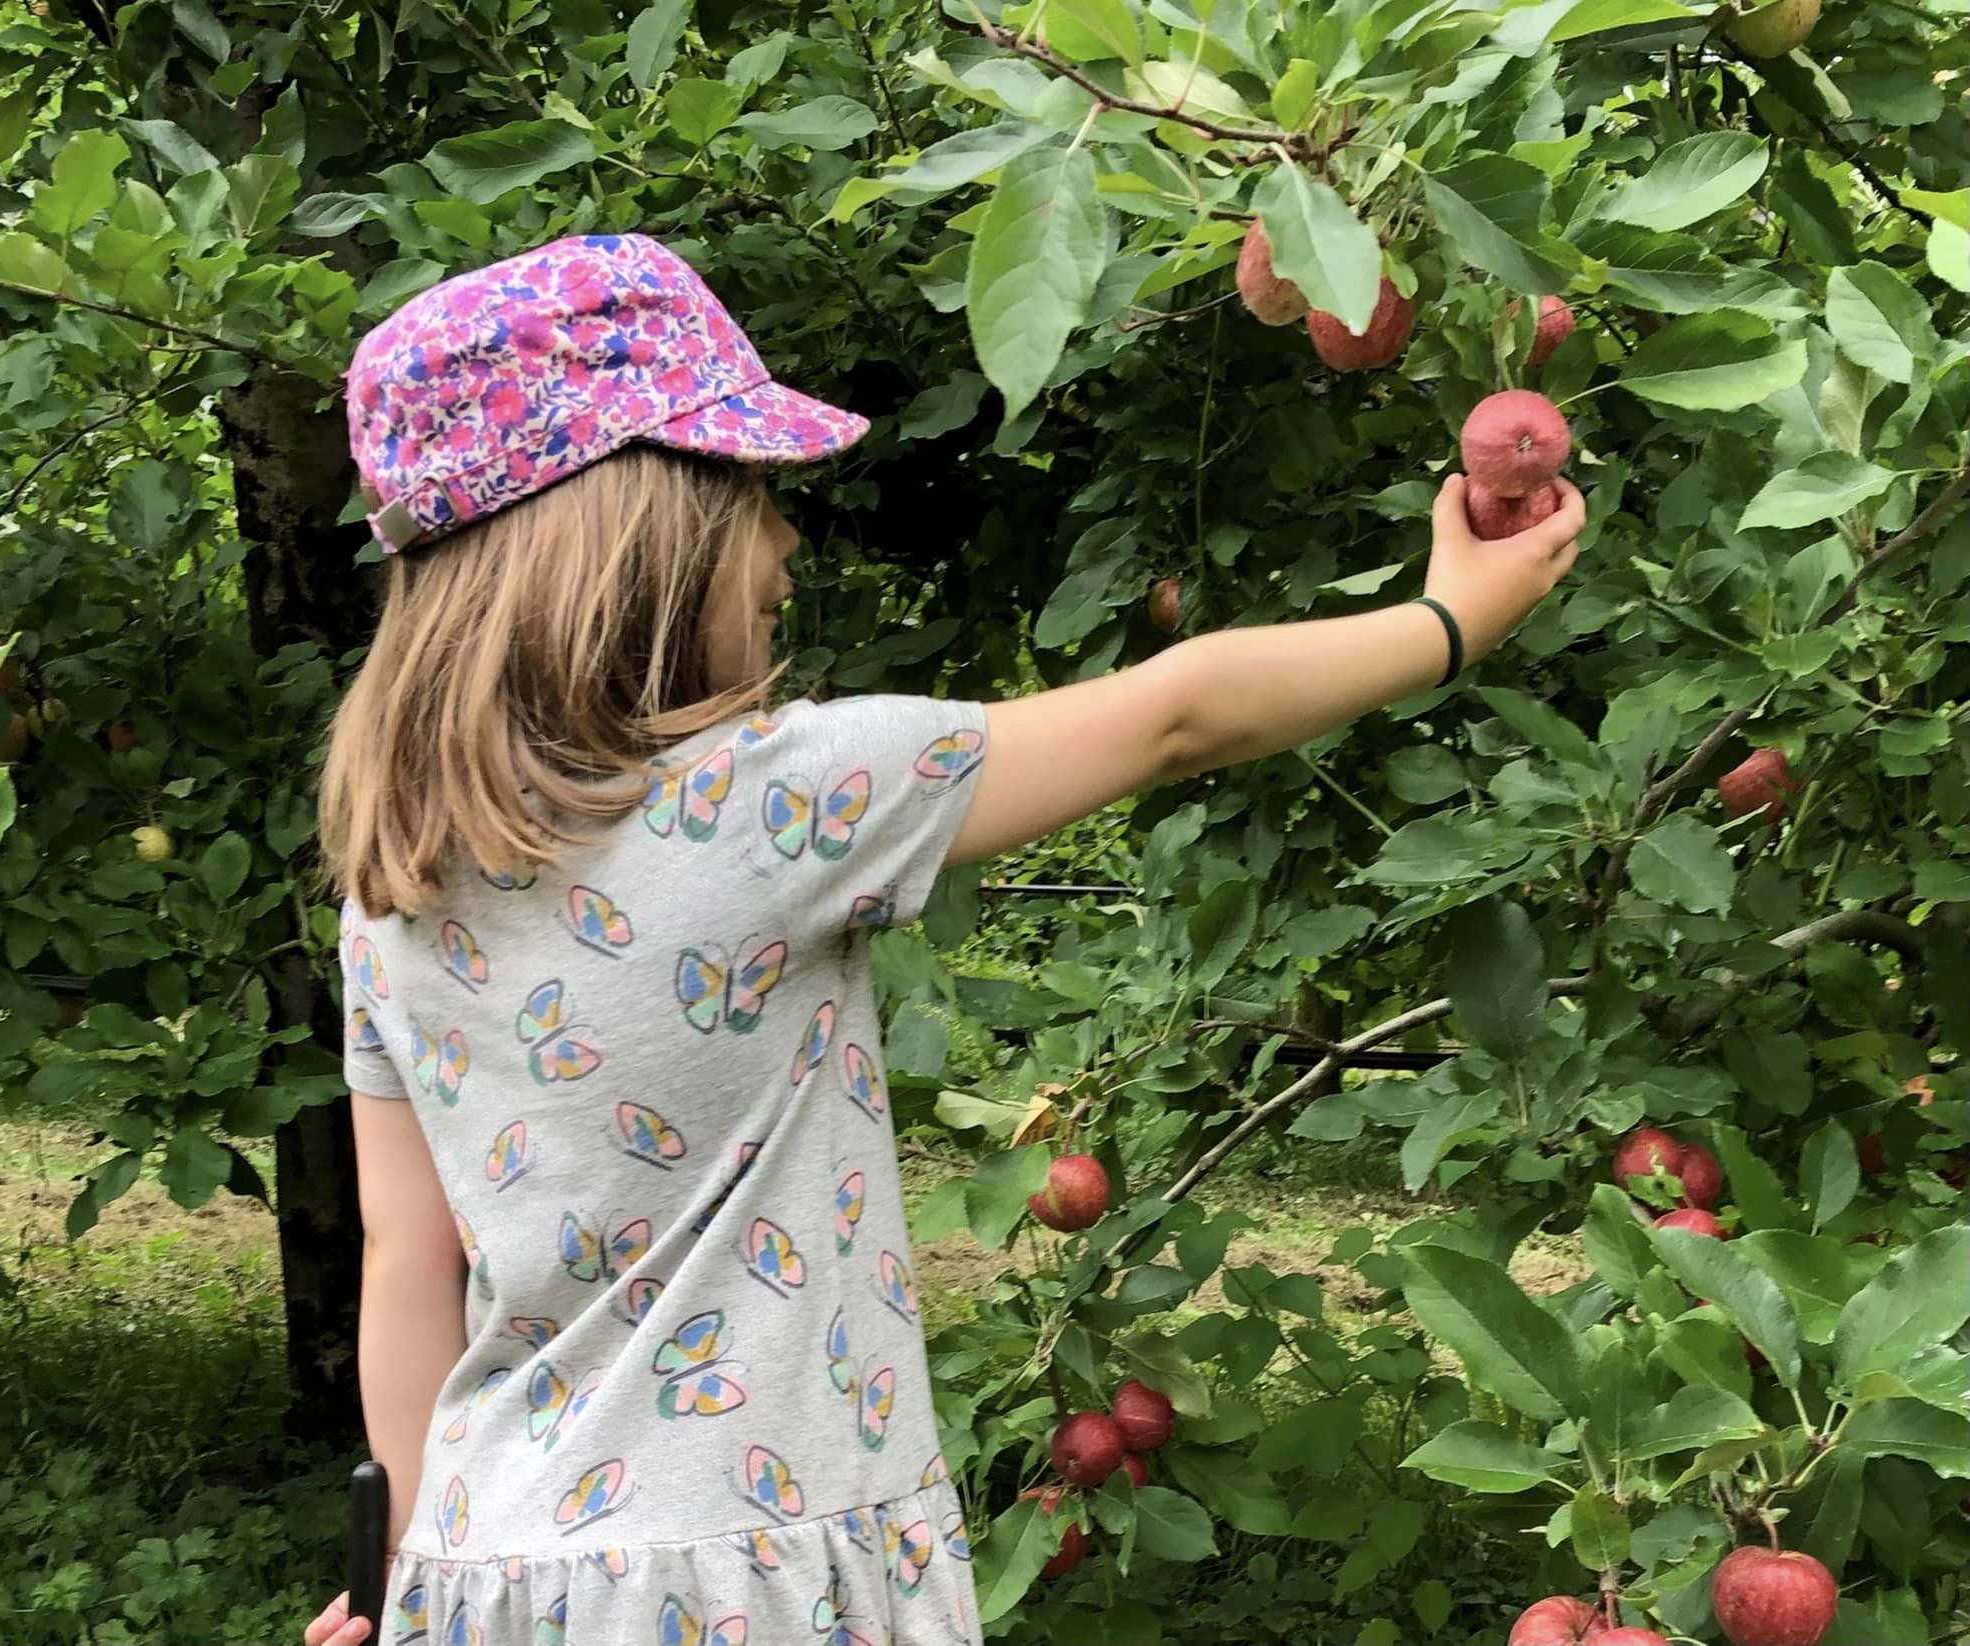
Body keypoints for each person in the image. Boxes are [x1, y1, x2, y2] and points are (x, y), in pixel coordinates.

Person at [302, 233, 1583, 1646]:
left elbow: (404, 1252)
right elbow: (1172, 715)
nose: (785, 543)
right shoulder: (776, 805)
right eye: (752, 497)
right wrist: (1453, 618)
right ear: (642, 534)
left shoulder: (395, 894)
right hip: (751, 1577)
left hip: (497, 1573)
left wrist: (403, 1570)